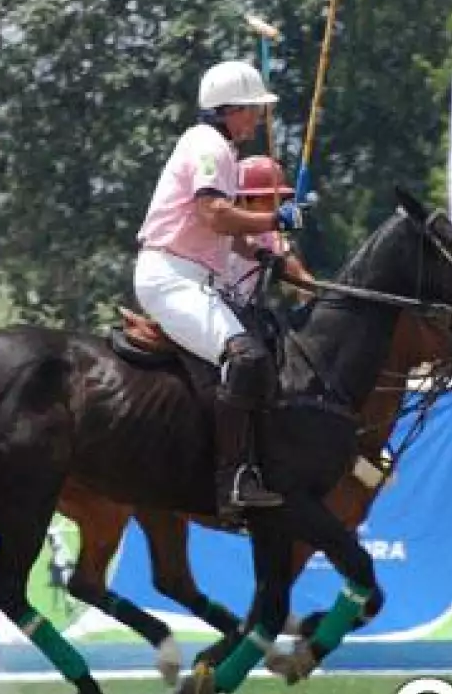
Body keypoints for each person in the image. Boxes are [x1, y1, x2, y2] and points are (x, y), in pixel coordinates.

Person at [134, 61, 304, 523]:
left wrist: (263, 253)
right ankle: (231, 480)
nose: (258, 120)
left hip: (191, 275)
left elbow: (228, 235)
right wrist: (275, 220)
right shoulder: (208, 146)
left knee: (260, 351)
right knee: (245, 357)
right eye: (253, 111)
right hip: (170, 275)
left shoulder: (220, 149)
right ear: (229, 109)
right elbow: (214, 215)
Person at [223, 155, 317, 303]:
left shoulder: (270, 237)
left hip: (245, 311)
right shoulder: (218, 225)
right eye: (267, 199)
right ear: (242, 199)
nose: (275, 206)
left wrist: (306, 286)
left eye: (278, 199)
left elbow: (296, 272)